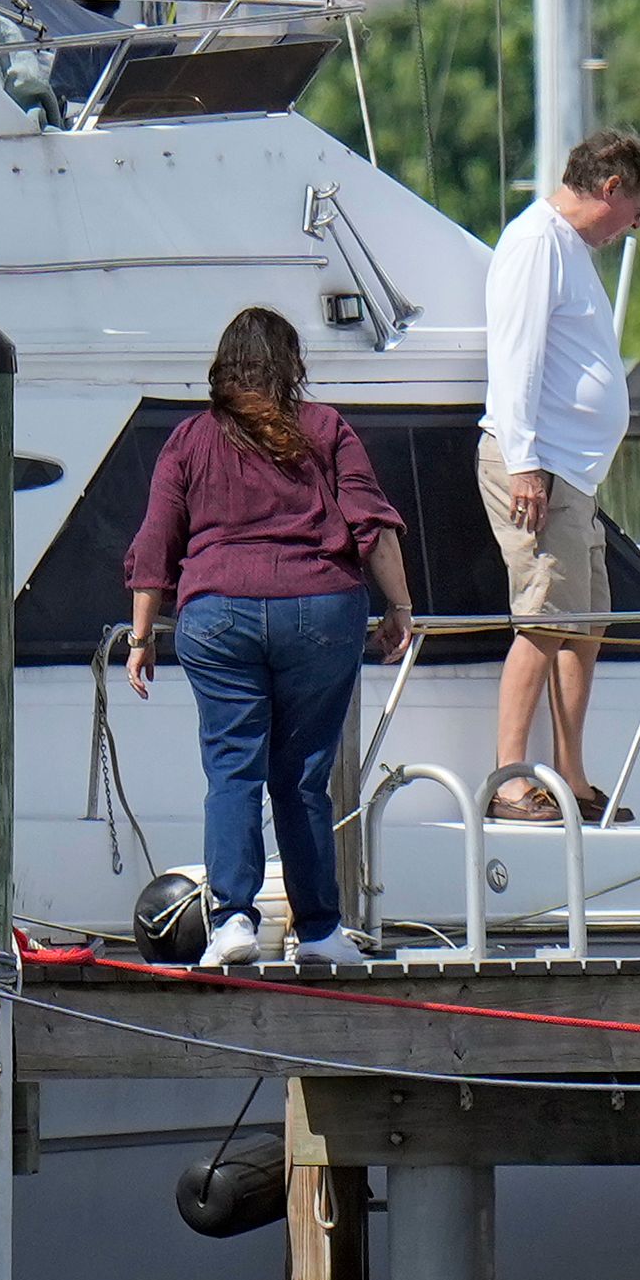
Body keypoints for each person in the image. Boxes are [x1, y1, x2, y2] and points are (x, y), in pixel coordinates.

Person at [124, 307, 418, 970]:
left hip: (217, 616)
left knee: (232, 772)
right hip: (319, 612)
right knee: (303, 780)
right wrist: (399, 606)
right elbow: (372, 524)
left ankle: (232, 921)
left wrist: (142, 636)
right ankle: (319, 933)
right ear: (292, 367)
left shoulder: (191, 440)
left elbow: (156, 541)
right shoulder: (326, 429)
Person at [481, 126, 640, 819]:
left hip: (571, 473)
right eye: (639, 212)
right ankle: (508, 778)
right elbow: (516, 357)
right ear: (612, 188)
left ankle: (569, 775)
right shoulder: (538, 243)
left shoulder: (567, 248)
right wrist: (528, 463)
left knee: (582, 622)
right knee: (542, 619)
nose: (635, 227)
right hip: (542, 466)